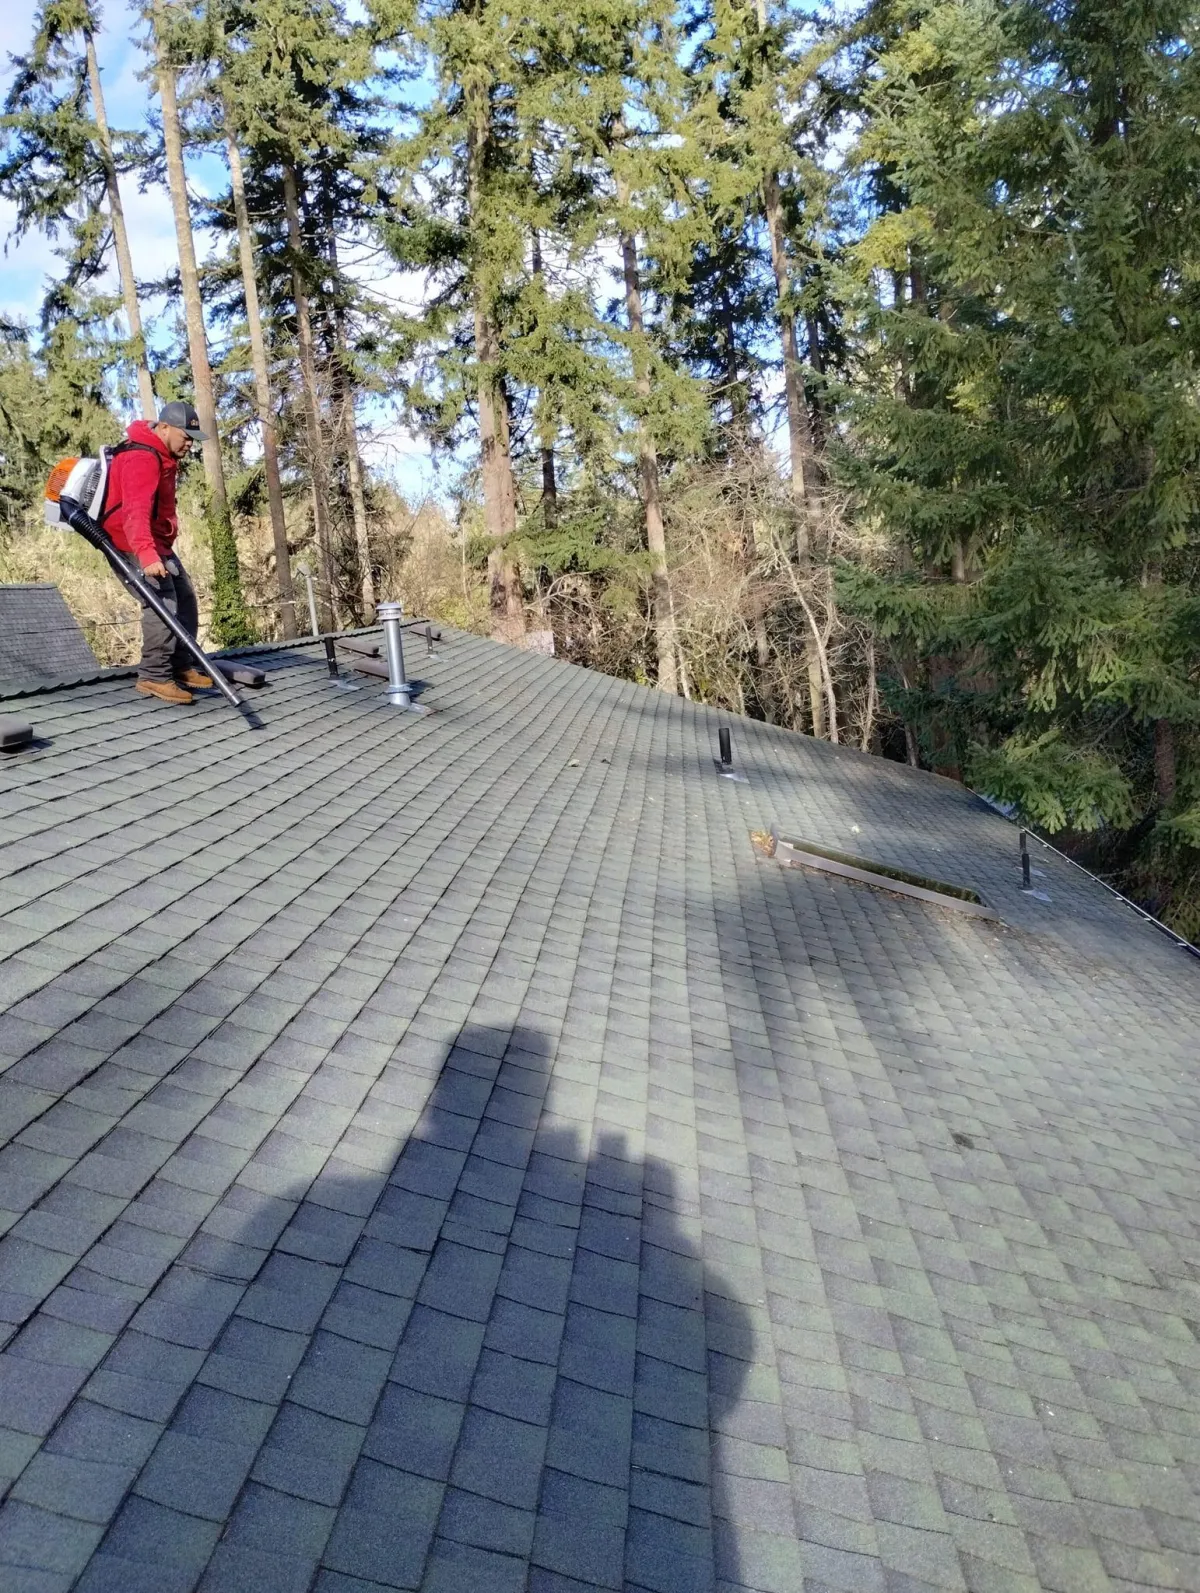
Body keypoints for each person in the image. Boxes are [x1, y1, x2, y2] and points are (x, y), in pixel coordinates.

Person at [104, 400, 213, 705]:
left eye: (193, 439)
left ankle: (179, 665)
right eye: (186, 437)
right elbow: (135, 511)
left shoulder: (162, 454)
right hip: (129, 542)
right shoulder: (142, 457)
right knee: (161, 601)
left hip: (154, 541)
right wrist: (147, 555)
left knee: (184, 596)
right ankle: (153, 674)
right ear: (164, 428)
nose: (190, 444)